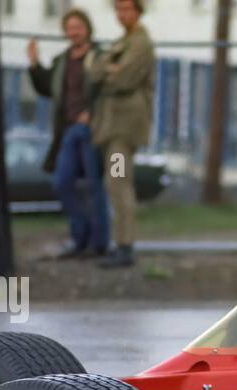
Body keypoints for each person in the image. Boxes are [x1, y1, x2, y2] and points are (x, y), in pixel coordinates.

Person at [28, 8, 109, 260]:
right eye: (70, 28)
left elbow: (108, 90)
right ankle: (80, 237)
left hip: (92, 130)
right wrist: (34, 63)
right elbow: (47, 89)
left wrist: (91, 113)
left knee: (95, 186)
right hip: (67, 130)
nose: (74, 32)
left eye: (78, 27)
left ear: (88, 29)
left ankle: (99, 243)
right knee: (62, 183)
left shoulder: (99, 57)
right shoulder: (62, 60)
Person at [87, 0, 155, 270]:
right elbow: (93, 73)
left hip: (124, 128)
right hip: (110, 124)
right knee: (113, 183)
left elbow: (124, 79)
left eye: (127, 9)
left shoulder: (141, 44)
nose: (121, 14)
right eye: (118, 9)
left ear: (138, 11)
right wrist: (109, 68)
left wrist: (111, 71)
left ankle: (125, 245)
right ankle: (120, 242)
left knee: (118, 183)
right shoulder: (120, 42)